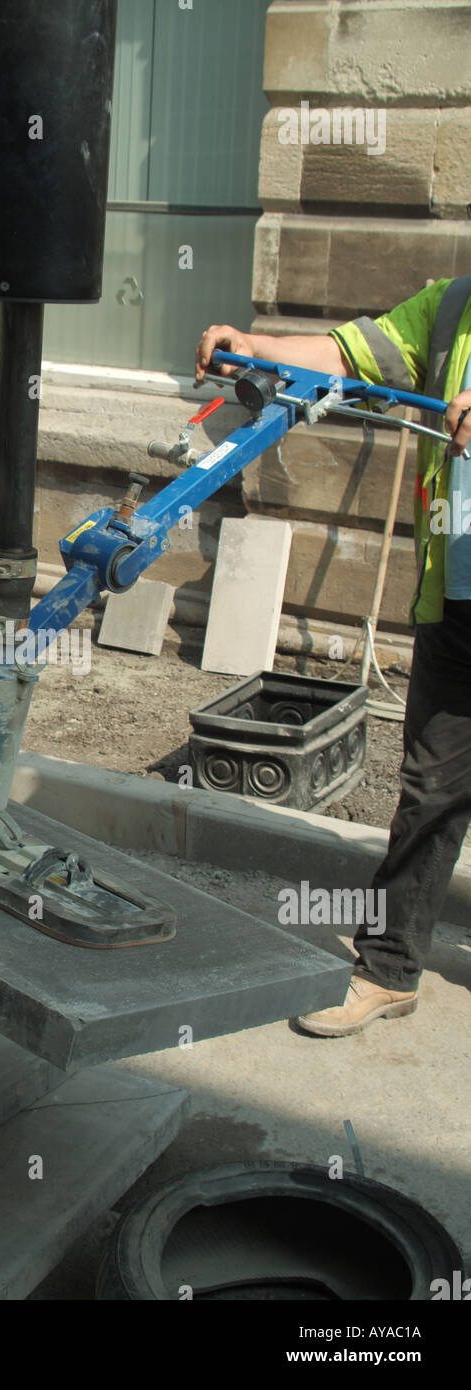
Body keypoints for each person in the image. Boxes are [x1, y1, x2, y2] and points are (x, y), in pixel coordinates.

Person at [195, 276, 471, 1036]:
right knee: (429, 792)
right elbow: (350, 350)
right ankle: (387, 970)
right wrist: (256, 347)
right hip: (459, 605)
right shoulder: (451, 309)